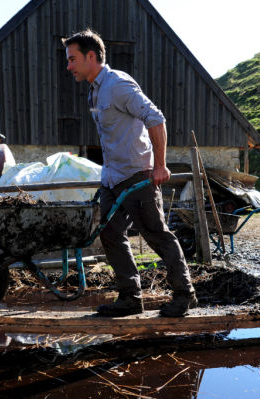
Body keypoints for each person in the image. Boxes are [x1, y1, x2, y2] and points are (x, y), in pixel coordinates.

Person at [62, 29, 197, 317]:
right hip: (112, 178)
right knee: (110, 234)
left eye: (73, 59)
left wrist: (159, 165)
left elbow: (156, 119)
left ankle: (185, 294)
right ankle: (129, 297)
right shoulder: (95, 90)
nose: (69, 66)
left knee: (156, 234)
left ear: (91, 56)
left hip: (137, 175)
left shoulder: (118, 84)